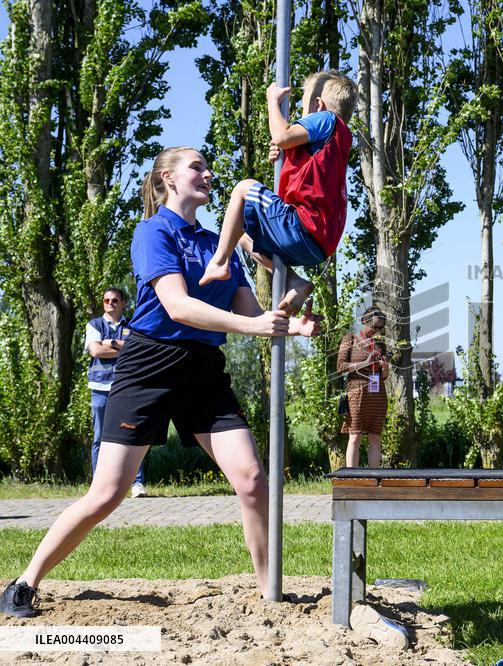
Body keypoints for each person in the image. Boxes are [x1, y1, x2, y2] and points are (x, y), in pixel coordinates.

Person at [1, 147, 321, 618]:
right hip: (149, 365)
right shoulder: (153, 232)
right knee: (108, 493)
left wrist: (291, 325)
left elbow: (251, 312)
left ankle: (269, 593)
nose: (208, 173)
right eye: (197, 166)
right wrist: (255, 326)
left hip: (204, 369)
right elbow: (178, 306)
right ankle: (25, 582)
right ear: (169, 178)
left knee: (253, 480)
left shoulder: (219, 243)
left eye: (208, 166)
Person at [200, 70, 357, 315]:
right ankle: (294, 281)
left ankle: (219, 261)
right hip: (318, 244)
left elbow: (282, 135)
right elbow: (309, 172)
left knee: (242, 188)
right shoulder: (338, 138)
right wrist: (284, 154)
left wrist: (273, 102)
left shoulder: (326, 119)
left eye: (302, 104)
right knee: (240, 234)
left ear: (317, 105)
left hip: (303, 226)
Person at [85, 287, 147, 498]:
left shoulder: (133, 325)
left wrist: (110, 342)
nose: (110, 303)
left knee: (132, 435)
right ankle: (98, 485)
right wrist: (124, 348)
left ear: (122, 303)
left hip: (127, 385)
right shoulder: (94, 325)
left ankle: (137, 483)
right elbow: (95, 350)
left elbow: (139, 351)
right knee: (100, 437)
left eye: (114, 300)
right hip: (100, 387)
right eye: (106, 300)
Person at [338, 307, 390, 468]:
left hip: (377, 393)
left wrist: (386, 368)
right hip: (357, 391)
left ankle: (374, 477)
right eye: (374, 326)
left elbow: (384, 376)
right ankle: (352, 477)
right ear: (363, 321)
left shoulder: (380, 344)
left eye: (380, 327)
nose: (376, 330)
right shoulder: (350, 339)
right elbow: (340, 366)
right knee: (355, 437)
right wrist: (365, 362)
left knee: (375, 438)